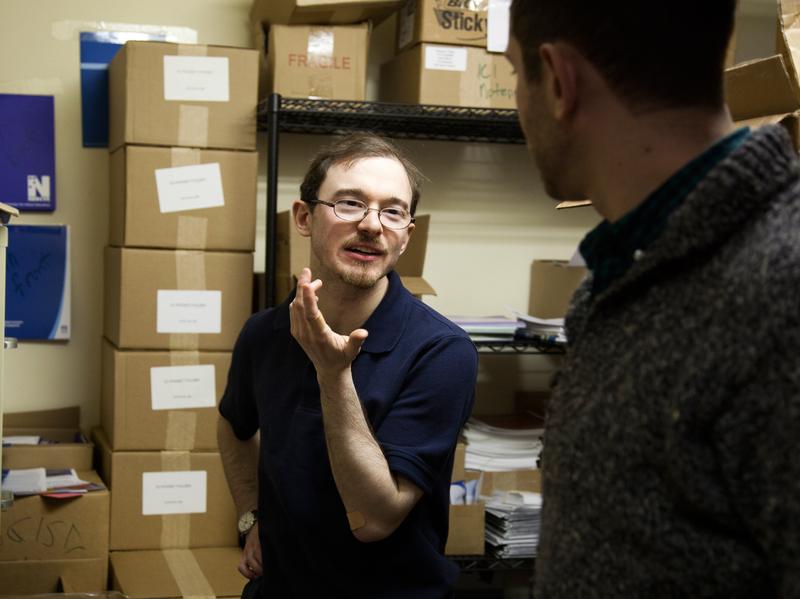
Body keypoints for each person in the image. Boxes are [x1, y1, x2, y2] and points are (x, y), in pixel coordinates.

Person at [505, 1, 800, 597]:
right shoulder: (622, 278)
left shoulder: (780, 290)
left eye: (515, 74)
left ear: (559, 81)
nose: (517, 100)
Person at [217, 132, 478, 598]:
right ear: (304, 217)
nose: (373, 225)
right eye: (350, 204)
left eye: (393, 211)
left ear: (406, 236)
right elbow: (234, 426)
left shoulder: (442, 352)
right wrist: (251, 516)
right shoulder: (264, 333)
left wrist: (333, 374)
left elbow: (375, 520)